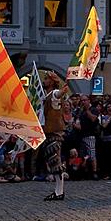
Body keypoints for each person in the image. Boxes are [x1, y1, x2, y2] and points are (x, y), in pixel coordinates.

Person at [41, 72, 68, 201]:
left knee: (55, 161)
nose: (44, 81)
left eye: (46, 79)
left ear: (51, 81)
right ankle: (58, 191)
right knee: (52, 161)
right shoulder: (46, 96)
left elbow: (57, 95)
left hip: (55, 132)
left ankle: (59, 191)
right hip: (49, 131)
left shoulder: (53, 94)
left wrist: (62, 92)